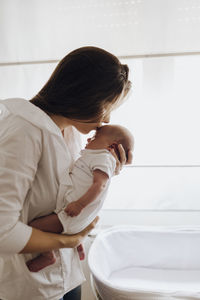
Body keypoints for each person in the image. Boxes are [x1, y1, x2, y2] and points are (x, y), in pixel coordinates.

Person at [0, 46, 132, 300]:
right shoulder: (23, 129)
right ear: (86, 96)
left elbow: (68, 190)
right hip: (31, 286)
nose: (106, 120)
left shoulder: (70, 132)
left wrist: (106, 170)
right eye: (106, 108)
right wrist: (66, 241)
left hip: (67, 273)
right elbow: (3, 232)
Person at [26, 124, 134, 272]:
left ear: (112, 145)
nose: (89, 138)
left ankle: (48, 255)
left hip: (72, 213)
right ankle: (77, 245)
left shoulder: (103, 158)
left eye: (95, 137)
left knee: (34, 227)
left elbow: (99, 185)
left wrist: (80, 204)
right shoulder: (94, 156)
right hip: (73, 216)